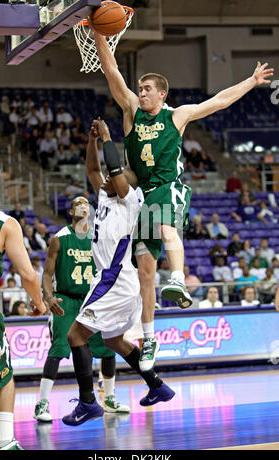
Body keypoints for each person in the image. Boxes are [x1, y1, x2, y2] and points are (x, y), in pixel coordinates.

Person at [93, 30, 273, 369]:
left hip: (169, 186)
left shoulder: (176, 115)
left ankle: (177, 277)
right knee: (145, 271)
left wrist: (250, 82)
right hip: (143, 193)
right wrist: (99, 36)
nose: (141, 92)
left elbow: (217, 101)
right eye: (140, 88)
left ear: (162, 94)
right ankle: (149, 339)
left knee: (164, 226)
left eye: (147, 89)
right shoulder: (131, 111)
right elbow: (111, 71)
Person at [62, 118, 175, 427]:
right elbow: (94, 171)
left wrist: (110, 138)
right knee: (114, 341)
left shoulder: (130, 200)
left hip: (116, 279)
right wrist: (91, 142)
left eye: (116, 176)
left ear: (125, 181)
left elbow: (113, 170)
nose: (107, 179)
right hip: (114, 280)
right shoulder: (105, 194)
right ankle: (157, 385)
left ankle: (88, 403)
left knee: (75, 334)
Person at [34, 189, 130, 423]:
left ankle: (108, 397)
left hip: (92, 300)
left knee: (108, 347)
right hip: (65, 299)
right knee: (58, 348)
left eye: (87, 203)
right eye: (78, 203)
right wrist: (48, 296)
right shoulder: (59, 238)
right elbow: (47, 273)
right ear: (70, 212)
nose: (83, 205)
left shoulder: (98, 238)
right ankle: (42, 403)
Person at [0, 164, 47, 450]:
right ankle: (6, 442)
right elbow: (29, 275)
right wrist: (39, 303)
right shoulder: (5, 223)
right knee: (4, 376)